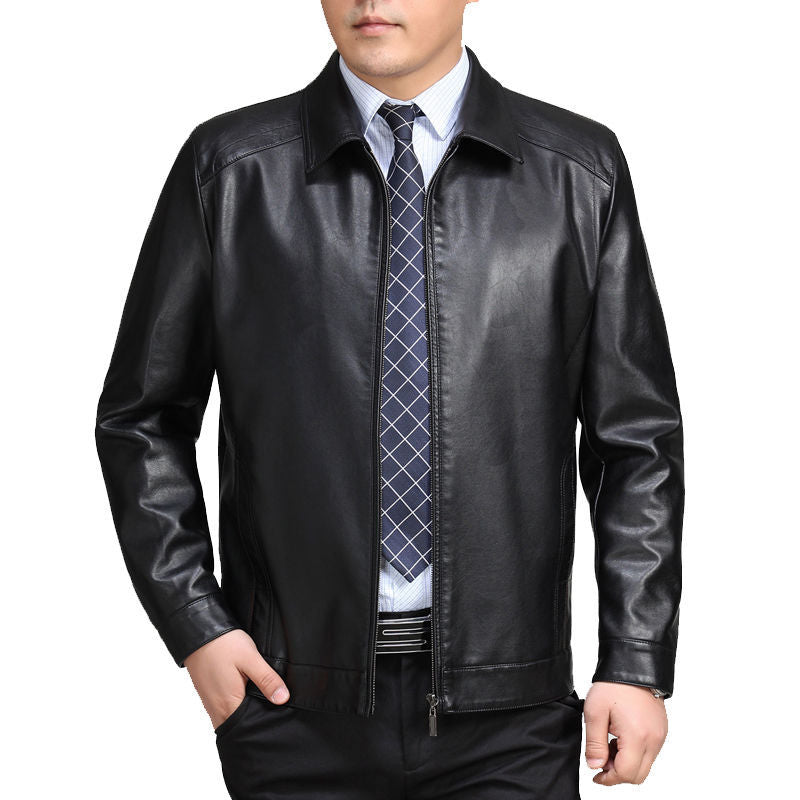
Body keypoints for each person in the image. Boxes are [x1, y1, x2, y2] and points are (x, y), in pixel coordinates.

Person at [95, 1, 684, 797]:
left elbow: (635, 441)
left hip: (510, 710)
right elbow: (141, 419)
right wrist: (198, 626)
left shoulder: (578, 172)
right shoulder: (232, 170)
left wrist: (636, 658)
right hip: (291, 702)